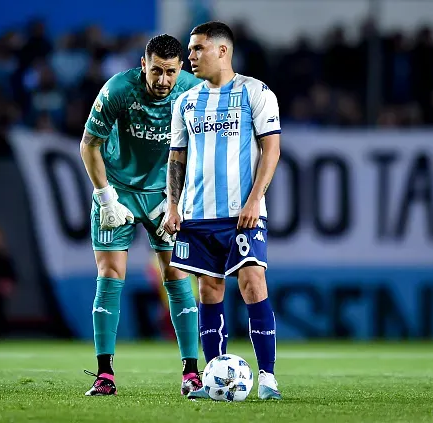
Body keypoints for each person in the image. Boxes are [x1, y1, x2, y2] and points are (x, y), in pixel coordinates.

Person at [164, 21, 282, 400]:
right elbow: (176, 158)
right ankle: (214, 377)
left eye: (197, 49)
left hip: (242, 213)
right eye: (189, 49)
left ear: (222, 51)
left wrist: (254, 199)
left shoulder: (255, 92)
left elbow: (271, 150)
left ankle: (267, 378)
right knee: (209, 290)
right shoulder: (185, 101)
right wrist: (172, 205)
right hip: (197, 215)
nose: (190, 57)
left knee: (252, 283)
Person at [80, 34, 204, 396]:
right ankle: (105, 376)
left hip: (162, 196)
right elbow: (89, 145)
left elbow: (203, 149)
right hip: (117, 190)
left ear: (180, 68)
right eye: (155, 71)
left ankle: (190, 374)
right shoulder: (119, 89)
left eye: (169, 72)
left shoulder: (193, 92)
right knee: (110, 274)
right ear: (142, 65)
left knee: (176, 274)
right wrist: (105, 198)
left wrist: (178, 200)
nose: (162, 80)